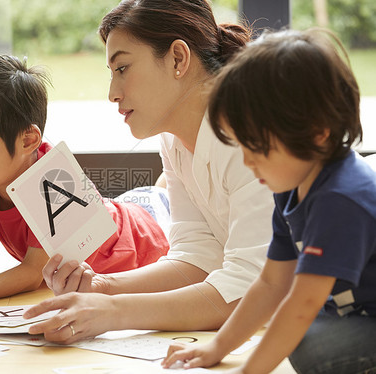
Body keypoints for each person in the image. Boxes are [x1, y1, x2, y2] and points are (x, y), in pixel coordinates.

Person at [23, 0, 274, 342]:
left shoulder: (249, 132)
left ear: (177, 59)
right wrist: (102, 287)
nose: (112, 93)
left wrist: (113, 313)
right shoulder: (173, 140)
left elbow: (248, 290)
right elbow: (198, 257)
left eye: (122, 68)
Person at [161, 28, 376, 374]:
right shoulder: (290, 187)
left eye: (258, 147)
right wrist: (218, 347)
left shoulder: (342, 198)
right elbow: (272, 282)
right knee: (294, 332)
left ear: (317, 132)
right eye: (241, 145)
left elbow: (304, 302)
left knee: (314, 349)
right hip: (352, 310)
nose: (247, 161)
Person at [0, 55, 170, 303]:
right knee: (149, 194)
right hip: (117, 212)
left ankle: (167, 178)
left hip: (144, 235)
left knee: (164, 197)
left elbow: (33, 273)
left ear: (28, 140)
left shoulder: (48, 180)